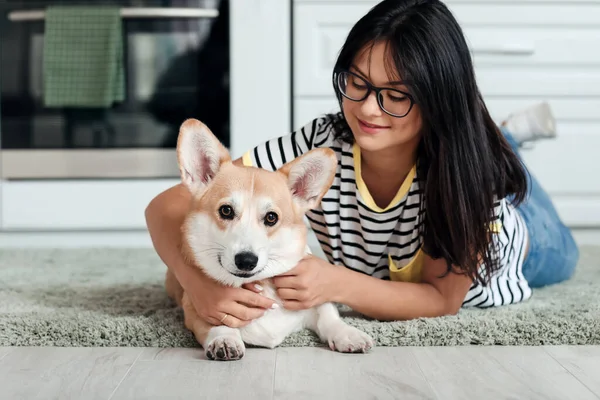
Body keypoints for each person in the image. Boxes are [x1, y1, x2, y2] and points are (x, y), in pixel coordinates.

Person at [145, 0, 579, 326]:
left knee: (530, 208)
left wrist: (335, 283)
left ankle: (506, 139)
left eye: (395, 96)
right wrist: (200, 287)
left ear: (438, 101)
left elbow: (442, 300)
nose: (369, 110)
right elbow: (168, 204)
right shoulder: (325, 141)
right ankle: (503, 137)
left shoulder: (466, 177)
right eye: (357, 83)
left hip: (528, 247)